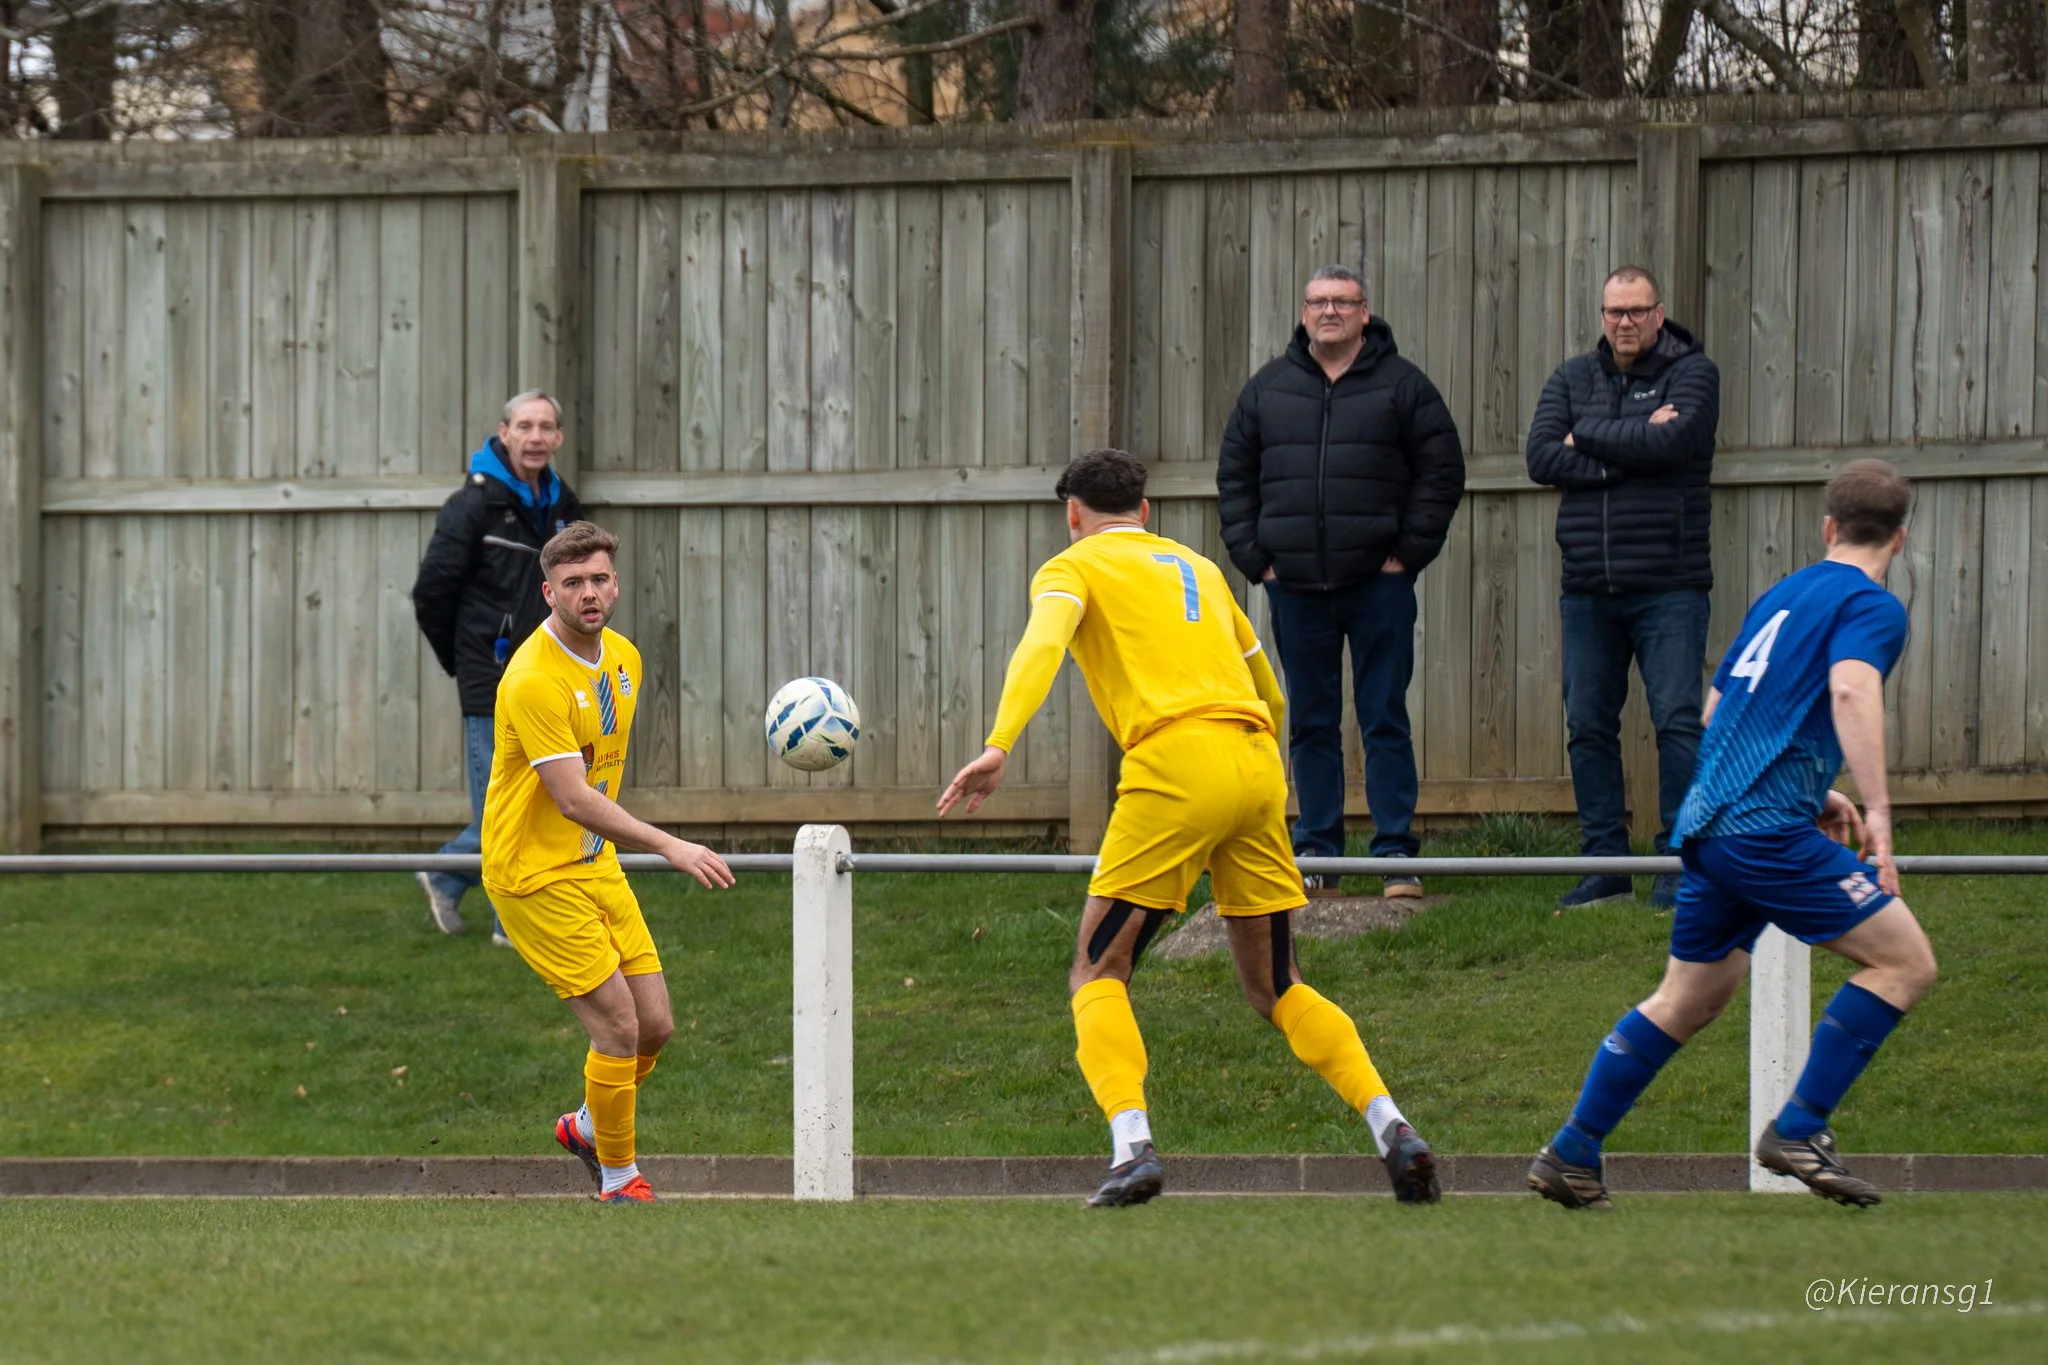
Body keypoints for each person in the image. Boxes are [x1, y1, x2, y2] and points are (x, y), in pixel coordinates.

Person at [939, 449, 1439, 1207]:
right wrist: (1255, 780)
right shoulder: (1198, 568)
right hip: (1255, 765)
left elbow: (1043, 644)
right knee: (1279, 984)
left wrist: (1000, 742)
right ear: (1145, 512)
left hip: (1174, 764)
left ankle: (1131, 1145)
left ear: (1073, 514)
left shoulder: (1071, 568)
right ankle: (1391, 1123)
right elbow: (1268, 687)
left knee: (1097, 970)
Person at [1528, 461, 1933, 1211]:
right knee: (1905, 962)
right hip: (1759, 830)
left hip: (1710, 824)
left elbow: (1720, 711)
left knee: (1691, 993)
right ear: (1901, 538)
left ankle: (1573, 1151)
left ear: (1827, 528)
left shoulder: (1781, 596)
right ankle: (1801, 1126)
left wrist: (1815, 790)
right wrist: (1876, 811)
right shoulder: (1872, 605)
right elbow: (1850, 688)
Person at [481, 521, 735, 1203]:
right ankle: (620, 1177)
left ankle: (590, 1125)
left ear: (615, 584)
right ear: (548, 592)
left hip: (593, 865)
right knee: (618, 1026)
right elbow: (572, 798)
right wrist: (670, 843)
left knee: (656, 1024)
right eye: (573, 583)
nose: (588, 593)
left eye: (598, 579)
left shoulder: (623, 657)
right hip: (532, 874)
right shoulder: (534, 679)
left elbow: (601, 774)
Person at [1216, 265, 1465, 900]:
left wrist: (1406, 554)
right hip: (1294, 586)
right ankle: (1319, 851)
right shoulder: (1268, 390)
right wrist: (1257, 560)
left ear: (1364, 312)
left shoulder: (1404, 386)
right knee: (1311, 722)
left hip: (1378, 584)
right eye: (1319, 301)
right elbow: (1235, 477)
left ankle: (1395, 857)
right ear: (1304, 313)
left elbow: (1442, 472)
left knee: (1384, 716)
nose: (1330, 311)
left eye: (1342, 302)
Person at [1526, 266, 1721, 910]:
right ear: (1602, 314)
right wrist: (1632, 444)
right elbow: (1541, 457)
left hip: (1670, 584)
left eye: (1637, 311)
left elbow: (1676, 445)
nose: (1625, 323)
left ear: (1659, 314)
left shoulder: (1693, 374)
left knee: (1676, 723)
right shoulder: (1571, 377)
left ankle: (1680, 860)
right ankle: (1606, 866)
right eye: (1614, 312)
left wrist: (1588, 438)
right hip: (1588, 585)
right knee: (1587, 724)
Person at [413, 391, 584, 942]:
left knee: (538, 798)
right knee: (504, 803)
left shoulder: (562, 507)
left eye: (546, 428)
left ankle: (446, 875)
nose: (535, 437)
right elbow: (431, 592)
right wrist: (468, 661)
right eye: (525, 426)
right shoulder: (471, 507)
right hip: (493, 680)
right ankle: (508, 922)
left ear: (558, 438)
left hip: (551, 678)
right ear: (504, 432)